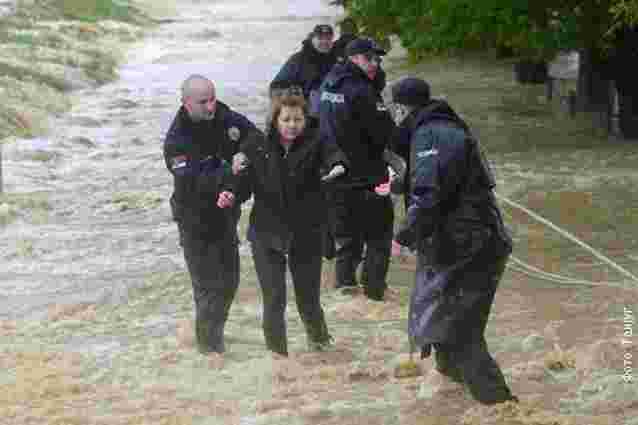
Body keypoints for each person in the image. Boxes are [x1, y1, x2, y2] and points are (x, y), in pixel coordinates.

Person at [391, 77, 518, 405]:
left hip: (470, 246)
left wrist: (403, 237)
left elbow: (430, 194)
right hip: (464, 243)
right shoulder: (443, 127)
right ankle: (455, 407)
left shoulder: (430, 133)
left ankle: (503, 409)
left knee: (461, 335)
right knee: (443, 332)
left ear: (401, 109)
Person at [225, 93, 346, 356]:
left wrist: (336, 167)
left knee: (308, 300)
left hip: (307, 231)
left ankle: (322, 348)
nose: (292, 125)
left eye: (298, 119)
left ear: (305, 120)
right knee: (274, 299)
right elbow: (243, 183)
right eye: (286, 119)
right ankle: (278, 359)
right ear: (275, 120)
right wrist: (231, 193)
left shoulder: (318, 141)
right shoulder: (257, 144)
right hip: (266, 232)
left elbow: (334, 157)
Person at [163, 74, 261, 355]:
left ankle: (212, 338)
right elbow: (196, 178)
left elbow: (255, 135)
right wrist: (231, 170)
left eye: (213, 98)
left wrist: (243, 152)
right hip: (194, 220)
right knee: (207, 289)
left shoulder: (223, 115)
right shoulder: (176, 141)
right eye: (203, 102)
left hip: (225, 216)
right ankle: (209, 351)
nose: (210, 106)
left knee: (229, 283)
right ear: (186, 103)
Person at [318, 37, 398, 301]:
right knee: (379, 237)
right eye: (369, 58)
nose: (375, 64)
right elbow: (385, 133)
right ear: (353, 59)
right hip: (367, 175)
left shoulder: (330, 82)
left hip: (336, 174)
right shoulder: (362, 90)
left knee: (347, 241)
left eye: (377, 59)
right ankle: (375, 294)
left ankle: (345, 291)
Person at [270, 24, 337, 120]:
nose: (324, 42)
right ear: (312, 39)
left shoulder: (337, 61)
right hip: (302, 115)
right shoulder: (297, 60)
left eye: (328, 39)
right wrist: (299, 98)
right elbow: (275, 87)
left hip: (330, 114)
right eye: (320, 38)